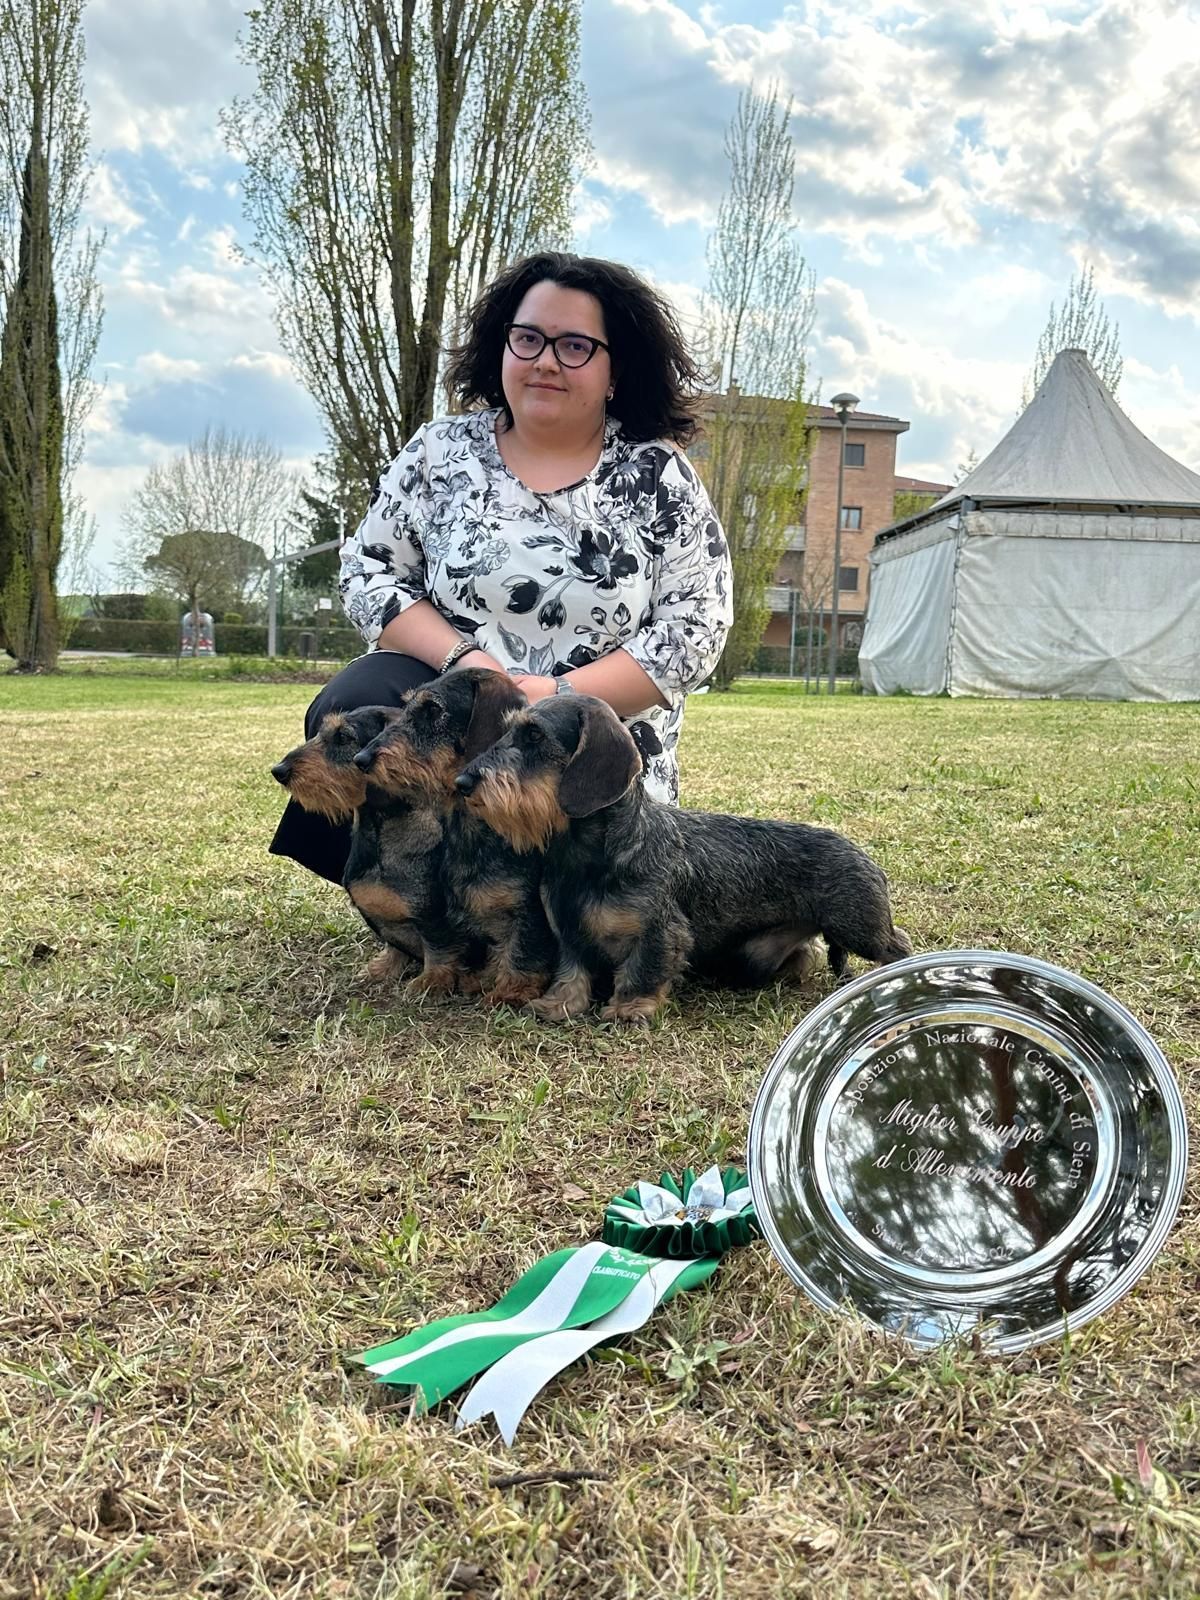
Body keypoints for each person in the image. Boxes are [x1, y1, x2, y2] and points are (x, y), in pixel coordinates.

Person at [270, 250, 733, 884]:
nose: (545, 359)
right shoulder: (438, 452)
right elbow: (370, 573)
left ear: (615, 368)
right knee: (358, 697)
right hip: (453, 717)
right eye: (528, 338)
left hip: (581, 741)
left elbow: (694, 631)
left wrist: (553, 696)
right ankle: (410, 896)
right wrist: (469, 666)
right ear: (502, 347)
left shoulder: (657, 474)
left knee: (590, 922)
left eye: (574, 345)